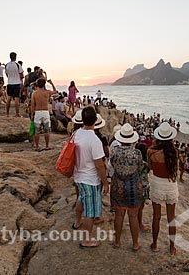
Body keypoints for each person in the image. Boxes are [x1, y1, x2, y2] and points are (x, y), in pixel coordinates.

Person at [73, 106, 109, 249]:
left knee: (81, 199)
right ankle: (87, 240)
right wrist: (105, 183)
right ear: (95, 120)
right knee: (90, 211)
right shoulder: (94, 140)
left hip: (79, 176)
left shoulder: (76, 134)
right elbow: (99, 166)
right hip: (90, 179)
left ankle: (76, 222)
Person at [109, 123, 143, 251]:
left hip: (118, 186)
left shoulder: (114, 151)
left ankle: (117, 242)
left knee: (118, 215)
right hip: (133, 187)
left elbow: (112, 164)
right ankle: (135, 244)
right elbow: (140, 168)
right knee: (133, 216)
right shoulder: (137, 153)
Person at [147, 122, 179, 255]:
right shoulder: (174, 152)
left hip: (157, 184)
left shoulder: (151, 152)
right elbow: (175, 170)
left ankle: (154, 243)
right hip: (170, 185)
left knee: (156, 216)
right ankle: (172, 248)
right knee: (171, 218)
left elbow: (150, 168)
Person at [30, 78, 57, 151]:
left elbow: (32, 105)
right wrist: (51, 83)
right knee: (46, 130)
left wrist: (32, 114)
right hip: (45, 112)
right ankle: (47, 146)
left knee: (37, 131)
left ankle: (37, 146)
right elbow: (55, 91)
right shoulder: (47, 92)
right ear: (44, 84)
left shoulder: (34, 93)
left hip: (38, 112)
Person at [5, 52, 24, 117]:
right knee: (16, 98)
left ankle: (7, 113)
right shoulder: (18, 65)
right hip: (17, 83)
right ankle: (17, 113)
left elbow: (7, 74)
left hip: (10, 83)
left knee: (9, 98)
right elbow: (22, 75)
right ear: (15, 57)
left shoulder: (7, 65)